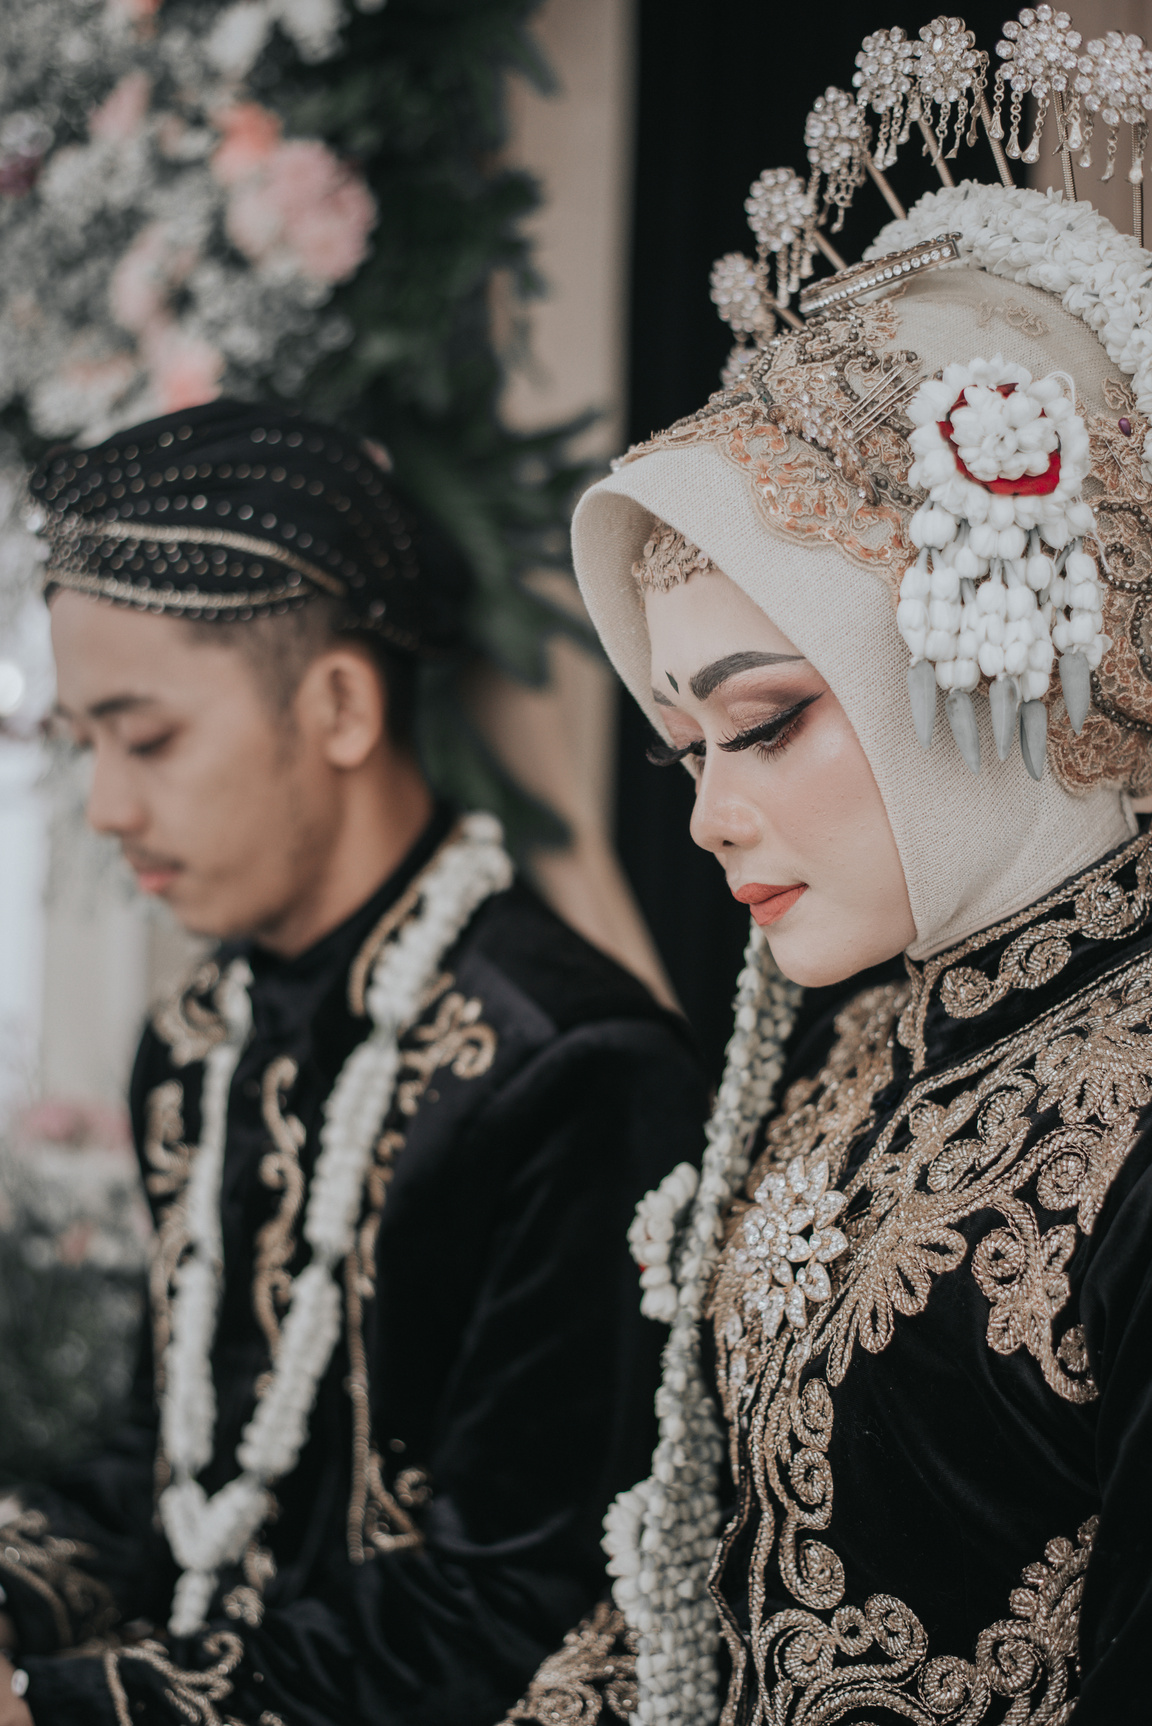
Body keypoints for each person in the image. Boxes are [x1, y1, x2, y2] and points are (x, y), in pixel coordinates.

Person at [501, 39, 1152, 1726]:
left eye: (769, 722)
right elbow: (684, 1606)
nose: (713, 816)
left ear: (984, 652)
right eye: (685, 749)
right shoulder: (863, 1046)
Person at [0, 398, 708, 1726]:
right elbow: (170, 1469)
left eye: (144, 737)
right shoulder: (198, 1043)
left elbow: (511, 1608)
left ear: (335, 703)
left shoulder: (572, 1069)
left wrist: (58, 1706)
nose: (104, 805)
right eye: (82, 743)